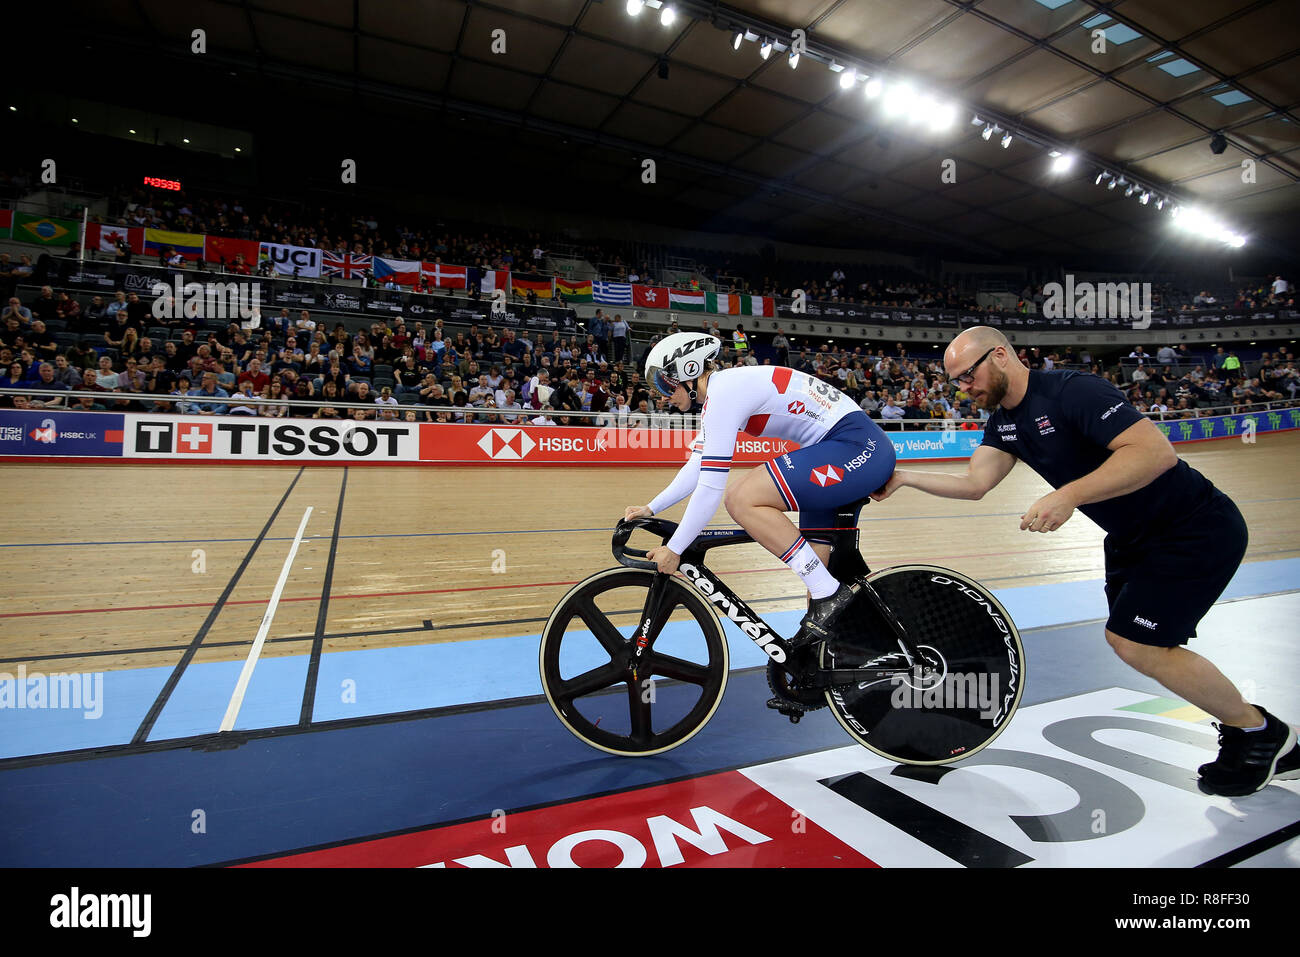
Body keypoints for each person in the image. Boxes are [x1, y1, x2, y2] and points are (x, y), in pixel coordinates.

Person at [871, 326, 1298, 796]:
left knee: (1137, 643)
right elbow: (975, 484)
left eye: (967, 375)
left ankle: (1260, 732)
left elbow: (1155, 454)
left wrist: (1068, 495)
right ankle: (1254, 733)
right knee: (1136, 643)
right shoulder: (1004, 422)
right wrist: (905, 476)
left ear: (1000, 355)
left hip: (1194, 530)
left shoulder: (1073, 391)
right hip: (1133, 540)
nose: (962, 388)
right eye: (955, 381)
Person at [623, 333, 897, 692]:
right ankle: (826, 666)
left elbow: (711, 486)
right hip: (844, 448)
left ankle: (830, 594)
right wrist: (651, 507)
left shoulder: (724, 393)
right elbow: (698, 466)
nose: (660, 392)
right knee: (816, 564)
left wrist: (675, 548)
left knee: (741, 498)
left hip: (854, 447)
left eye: (663, 381)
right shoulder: (720, 395)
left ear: (688, 371)